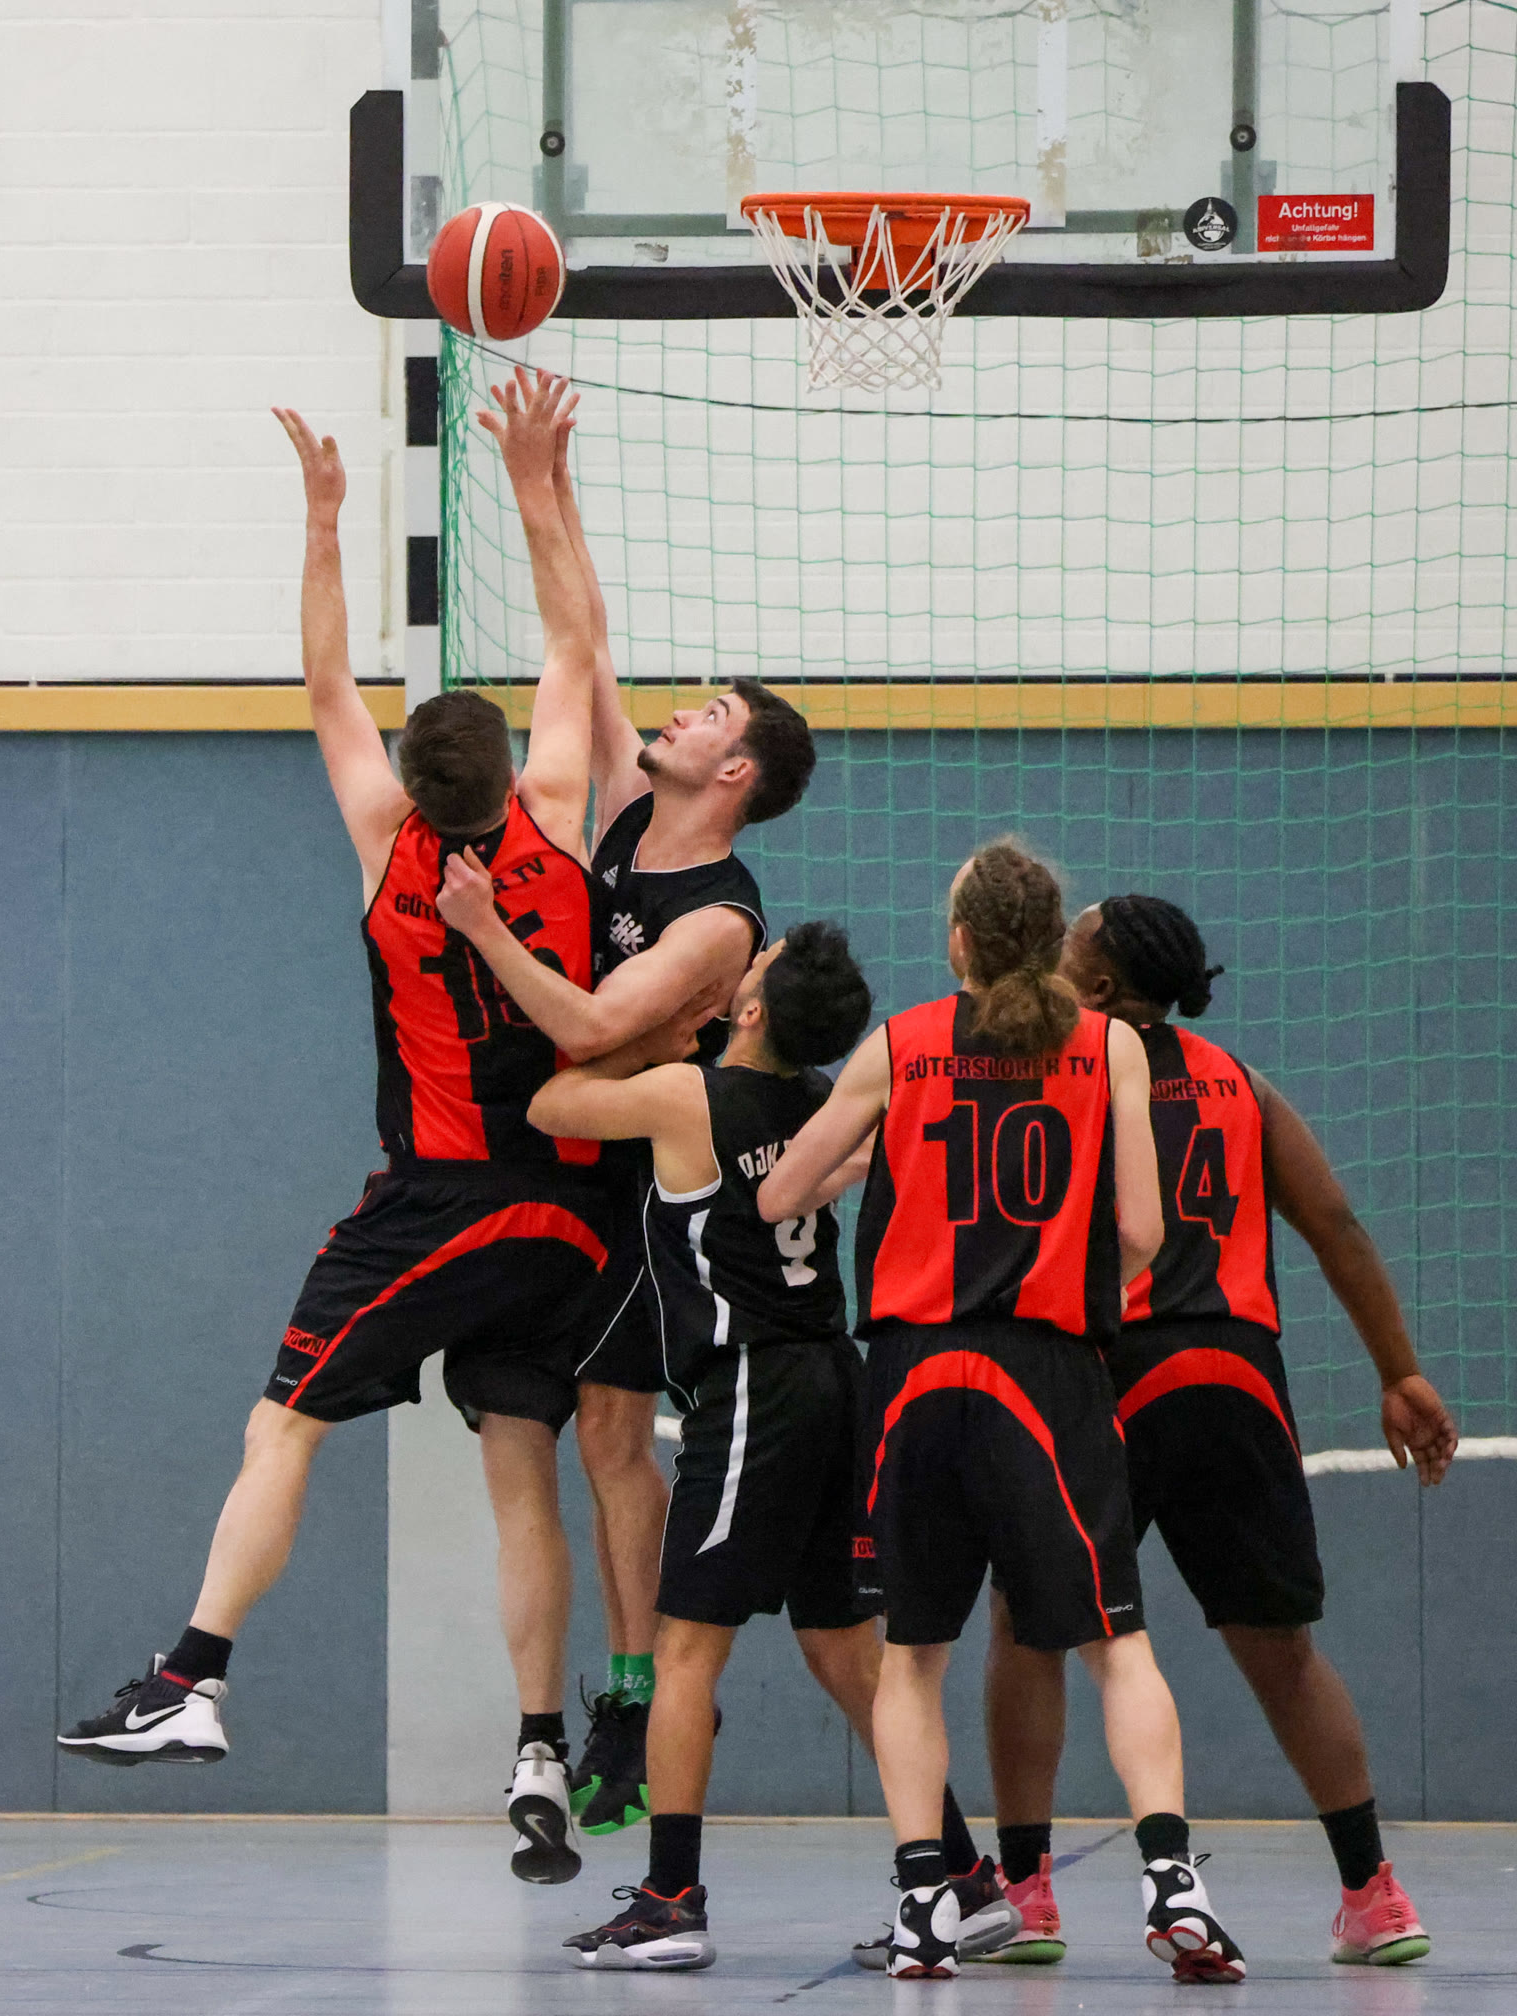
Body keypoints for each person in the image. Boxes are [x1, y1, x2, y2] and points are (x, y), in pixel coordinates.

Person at [58, 382, 609, 1887]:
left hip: (444, 1198)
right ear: (507, 772)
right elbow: (576, 646)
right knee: (522, 1470)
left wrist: (321, 517)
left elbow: (323, 690)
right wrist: (535, 481)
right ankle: (540, 1746)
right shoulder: (559, 812)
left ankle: (191, 1678)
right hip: (574, 1214)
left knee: (284, 1422)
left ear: (415, 789)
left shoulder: (390, 850)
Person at [760, 840, 1245, 1984]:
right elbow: (1142, 1232)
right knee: (1116, 1643)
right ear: (1049, 940)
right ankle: (1171, 1877)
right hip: (1049, 1369)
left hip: (916, 1372)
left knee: (912, 1657)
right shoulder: (1110, 1044)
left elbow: (781, 1193)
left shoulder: (903, 1043)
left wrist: (872, 1160)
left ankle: (925, 1902)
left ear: (961, 941)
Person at [436, 417, 816, 1835]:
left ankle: (640, 1694)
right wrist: (541, 483)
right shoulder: (622, 813)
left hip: (666, 1206)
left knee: (609, 1436)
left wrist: (485, 933)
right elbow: (580, 644)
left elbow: (595, 1030)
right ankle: (610, 1700)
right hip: (573, 1178)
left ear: (739, 772)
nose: (683, 713)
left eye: (712, 713)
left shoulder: (718, 921)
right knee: (563, 1439)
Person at [523, 925, 1014, 1970]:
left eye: (744, 977)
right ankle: (966, 1878)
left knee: (684, 1648)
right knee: (843, 1647)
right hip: (836, 1377)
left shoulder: (686, 1096)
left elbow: (551, 1104)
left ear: (747, 1011)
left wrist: (653, 1030)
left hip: (753, 1385)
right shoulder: (820, 1096)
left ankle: (670, 1898)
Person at [983, 895, 1456, 1968]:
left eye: (1070, 945)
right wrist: (1400, 1370)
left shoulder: (1067, 1073)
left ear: (1098, 987)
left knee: (1029, 1626)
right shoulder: (1240, 1082)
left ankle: (1028, 1893)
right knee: (1282, 1650)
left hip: (1112, 1374)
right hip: (1237, 1375)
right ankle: (1374, 1893)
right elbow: (1336, 1224)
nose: (1055, 956)